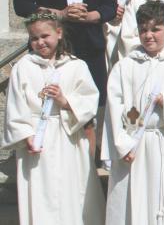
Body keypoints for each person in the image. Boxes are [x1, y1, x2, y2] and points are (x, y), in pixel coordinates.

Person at [103, 1, 164, 225]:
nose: (149, 35)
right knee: (133, 203)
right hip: (132, 146)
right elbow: (114, 108)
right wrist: (122, 144)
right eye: (144, 29)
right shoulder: (125, 66)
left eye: (156, 29)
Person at [2, 12, 104, 225]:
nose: (40, 42)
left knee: (71, 191)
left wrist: (65, 101)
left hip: (68, 138)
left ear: (59, 33)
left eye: (44, 36)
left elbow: (89, 99)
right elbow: (15, 106)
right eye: (34, 38)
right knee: (41, 195)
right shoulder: (24, 67)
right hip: (37, 143)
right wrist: (26, 136)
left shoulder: (76, 66)